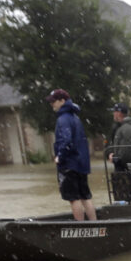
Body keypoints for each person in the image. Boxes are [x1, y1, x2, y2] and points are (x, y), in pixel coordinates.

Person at [46, 88, 96, 221]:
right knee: (85, 196)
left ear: (62, 101)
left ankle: (81, 228)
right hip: (81, 163)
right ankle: (95, 224)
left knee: (73, 198)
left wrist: (59, 157)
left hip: (70, 164)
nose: (52, 104)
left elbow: (66, 140)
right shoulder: (75, 117)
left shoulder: (63, 119)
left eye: (54, 101)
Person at [108, 102, 131, 172]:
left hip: (127, 169)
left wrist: (115, 159)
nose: (113, 114)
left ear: (119, 113)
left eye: (114, 111)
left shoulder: (126, 129)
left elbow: (126, 152)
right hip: (126, 167)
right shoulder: (122, 127)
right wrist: (113, 154)